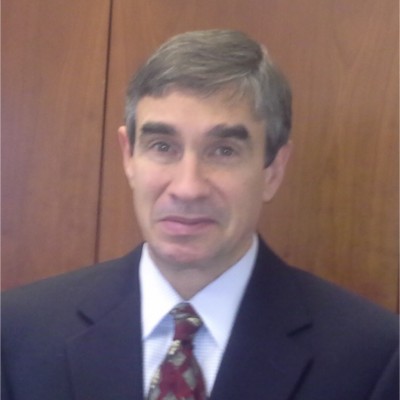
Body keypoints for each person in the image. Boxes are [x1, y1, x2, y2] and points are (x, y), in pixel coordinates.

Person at [2, 29, 398, 400]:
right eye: (162, 146)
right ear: (129, 156)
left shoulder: (374, 357)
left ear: (273, 171)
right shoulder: (17, 334)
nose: (187, 187)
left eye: (224, 151)